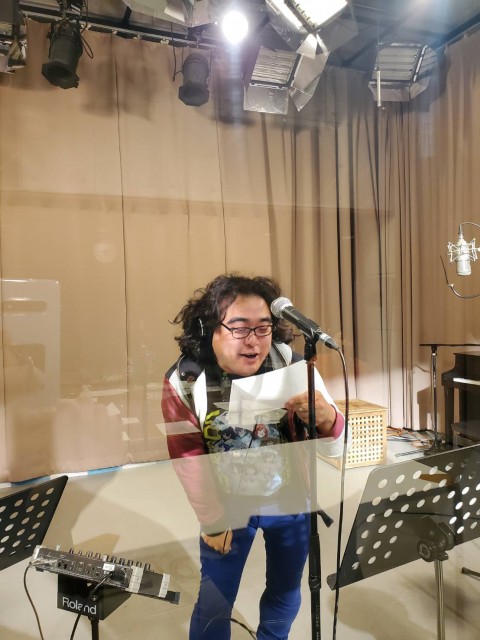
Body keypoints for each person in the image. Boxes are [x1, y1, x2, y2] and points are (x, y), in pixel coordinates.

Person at [161, 274, 345, 640]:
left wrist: (327, 418)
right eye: (239, 327)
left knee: (286, 591)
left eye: (263, 328)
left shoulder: (289, 361)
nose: (254, 340)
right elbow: (188, 457)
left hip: (290, 499)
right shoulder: (185, 378)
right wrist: (213, 520)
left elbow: (336, 444)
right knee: (214, 602)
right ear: (209, 328)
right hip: (228, 505)